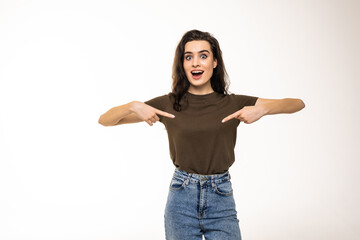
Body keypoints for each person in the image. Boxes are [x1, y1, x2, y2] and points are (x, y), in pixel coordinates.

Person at [98, 29, 305, 240]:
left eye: (203, 56)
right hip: (181, 199)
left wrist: (263, 109)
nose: (196, 63)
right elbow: (105, 120)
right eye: (189, 57)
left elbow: (297, 104)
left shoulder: (233, 103)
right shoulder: (169, 104)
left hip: (221, 197)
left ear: (214, 62)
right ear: (183, 64)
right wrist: (133, 106)